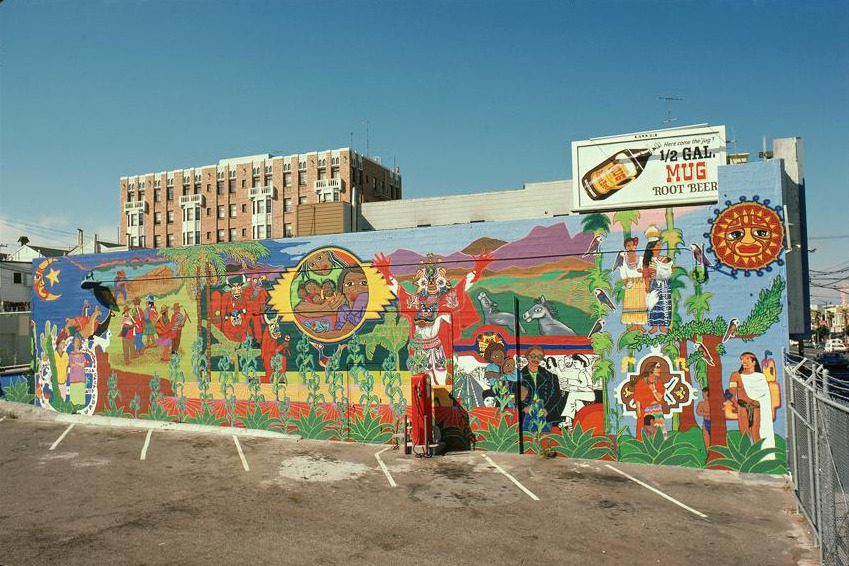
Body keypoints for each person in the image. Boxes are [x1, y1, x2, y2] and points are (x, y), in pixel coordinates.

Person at [729, 352, 775, 458]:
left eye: (747, 359)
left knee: (756, 433)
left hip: (756, 409)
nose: (743, 361)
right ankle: (744, 457)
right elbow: (730, 393)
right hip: (743, 408)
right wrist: (736, 404)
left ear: (754, 362)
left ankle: (758, 457)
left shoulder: (760, 377)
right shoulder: (736, 375)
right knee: (744, 434)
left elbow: (764, 395)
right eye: (742, 359)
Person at [519, 345, 565, 432]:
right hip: (527, 410)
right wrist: (524, 407)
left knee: (545, 437)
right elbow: (514, 394)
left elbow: (556, 395)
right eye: (533, 356)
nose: (536, 359)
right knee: (527, 437)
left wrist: (546, 409)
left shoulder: (551, 376)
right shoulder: (518, 376)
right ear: (527, 357)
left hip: (545, 409)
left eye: (540, 356)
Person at [632, 358, 668, 440]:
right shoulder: (641, 381)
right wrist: (638, 410)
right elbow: (637, 397)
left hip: (657, 410)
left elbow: (659, 398)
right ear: (651, 369)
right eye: (657, 367)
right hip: (646, 410)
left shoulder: (658, 382)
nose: (659, 369)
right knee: (646, 430)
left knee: (659, 430)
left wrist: (653, 389)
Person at [619, 237, 648, 330]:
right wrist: (626, 283)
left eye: (632, 245)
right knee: (631, 304)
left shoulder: (641, 259)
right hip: (630, 284)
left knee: (640, 303)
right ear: (625, 247)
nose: (630, 247)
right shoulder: (623, 261)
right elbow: (623, 273)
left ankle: (640, 325)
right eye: (628, 245)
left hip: (640, 283)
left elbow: (646, 271)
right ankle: (633, 325)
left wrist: (646, 281)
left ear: (635, 246)